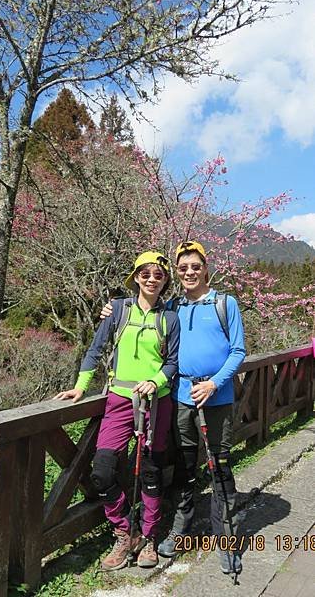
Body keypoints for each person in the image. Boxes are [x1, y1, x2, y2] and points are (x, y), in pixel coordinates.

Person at [100, 241, 246, 575]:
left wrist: (214, 384)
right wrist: (110, 310)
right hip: (180, 396)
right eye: (183, 268)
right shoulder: (174, 306)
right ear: (176, 274)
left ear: (206, 268)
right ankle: (180, 530)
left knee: (219, 467)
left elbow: (238, 351)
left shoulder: (225, 304)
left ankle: (227, 541)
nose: (190, 272)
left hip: (216, 397)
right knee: (182, 466)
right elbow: (139, 310)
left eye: (195, 266)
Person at [56, 251, 180, 571]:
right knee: (102, 471)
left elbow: (172, 362)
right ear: (136, 277)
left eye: (158, 275)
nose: (152, 279)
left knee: (151, 472)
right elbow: (96, 349)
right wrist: (81, 386)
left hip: (157, 401)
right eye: (146, 273)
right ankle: (126, 531)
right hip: (119, 400)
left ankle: (149, 536)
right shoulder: (119, 310)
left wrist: (155, 381)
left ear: (165, 280)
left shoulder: (170, 318)